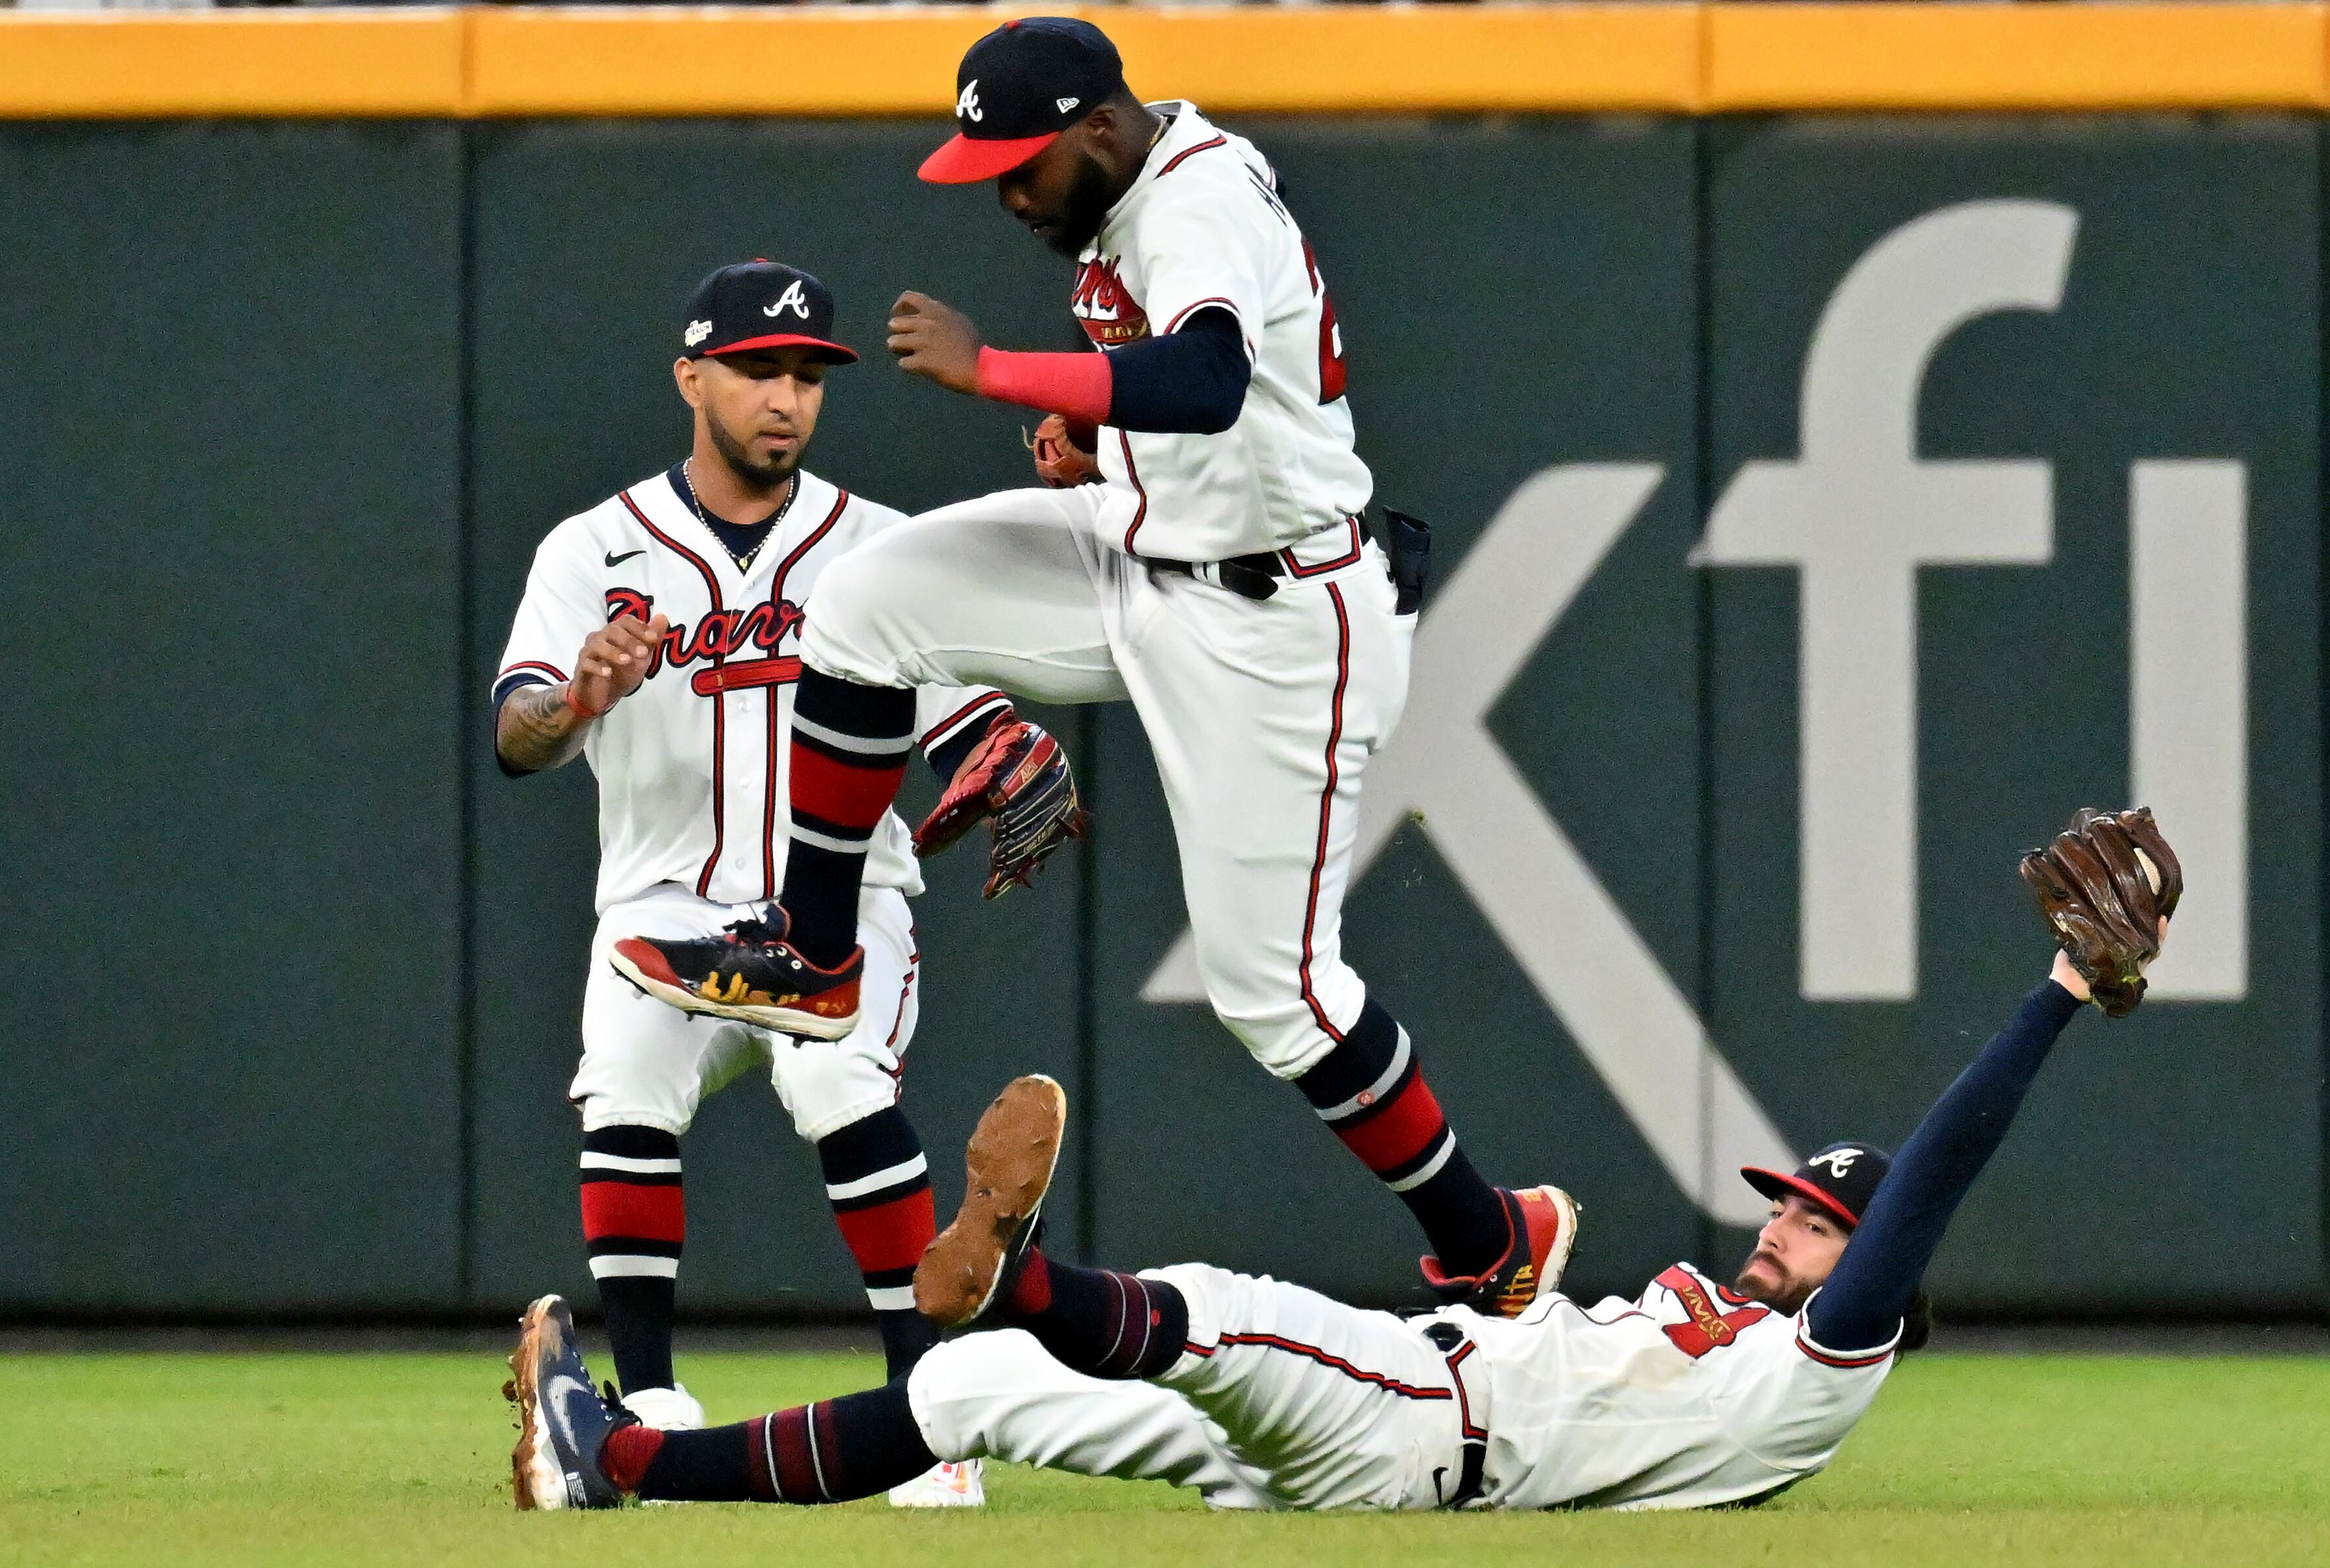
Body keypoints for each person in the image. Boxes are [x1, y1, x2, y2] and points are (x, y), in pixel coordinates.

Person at [614, 14, 1570, 1317]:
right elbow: (1194, 402)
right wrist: (1104, 442)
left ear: (1101, 129)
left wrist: (1002, 373)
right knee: (859, 605)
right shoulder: (1132, 189)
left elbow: (1213, 376)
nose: (1007, 193)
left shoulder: (1193, 198)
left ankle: (1489, 1238)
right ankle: (818, 950)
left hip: (1276, 617)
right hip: (1149, 546)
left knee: (1273, 996)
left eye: (1024, 165)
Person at [506, 826, 2176, 1513]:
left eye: (1824, 1223)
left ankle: (1015, 1265)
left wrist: (2055, 1000)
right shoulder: (1720, 1330)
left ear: (1873, 1271)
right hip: (1417, 1422)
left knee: (1217, 1306)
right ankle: (626, 1467)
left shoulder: (1823, 1371)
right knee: (977, 1395)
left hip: (1426, 1427)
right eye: (1795, 1202)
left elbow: (1936, 1177)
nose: (1790, 1226)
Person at [491, 259, 1081, 1508]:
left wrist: (999, 741)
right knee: (629, 1077)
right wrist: (579, 697)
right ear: (691, 375)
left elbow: (964, 718)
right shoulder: (590, 549)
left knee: (834, 1077)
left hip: (839, 904)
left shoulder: (875, 544)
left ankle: (929, 1411)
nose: (787, 398)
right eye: (760, 370)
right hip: (663, 910)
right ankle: (645, 1400)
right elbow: (517, 734)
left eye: (809, 375)